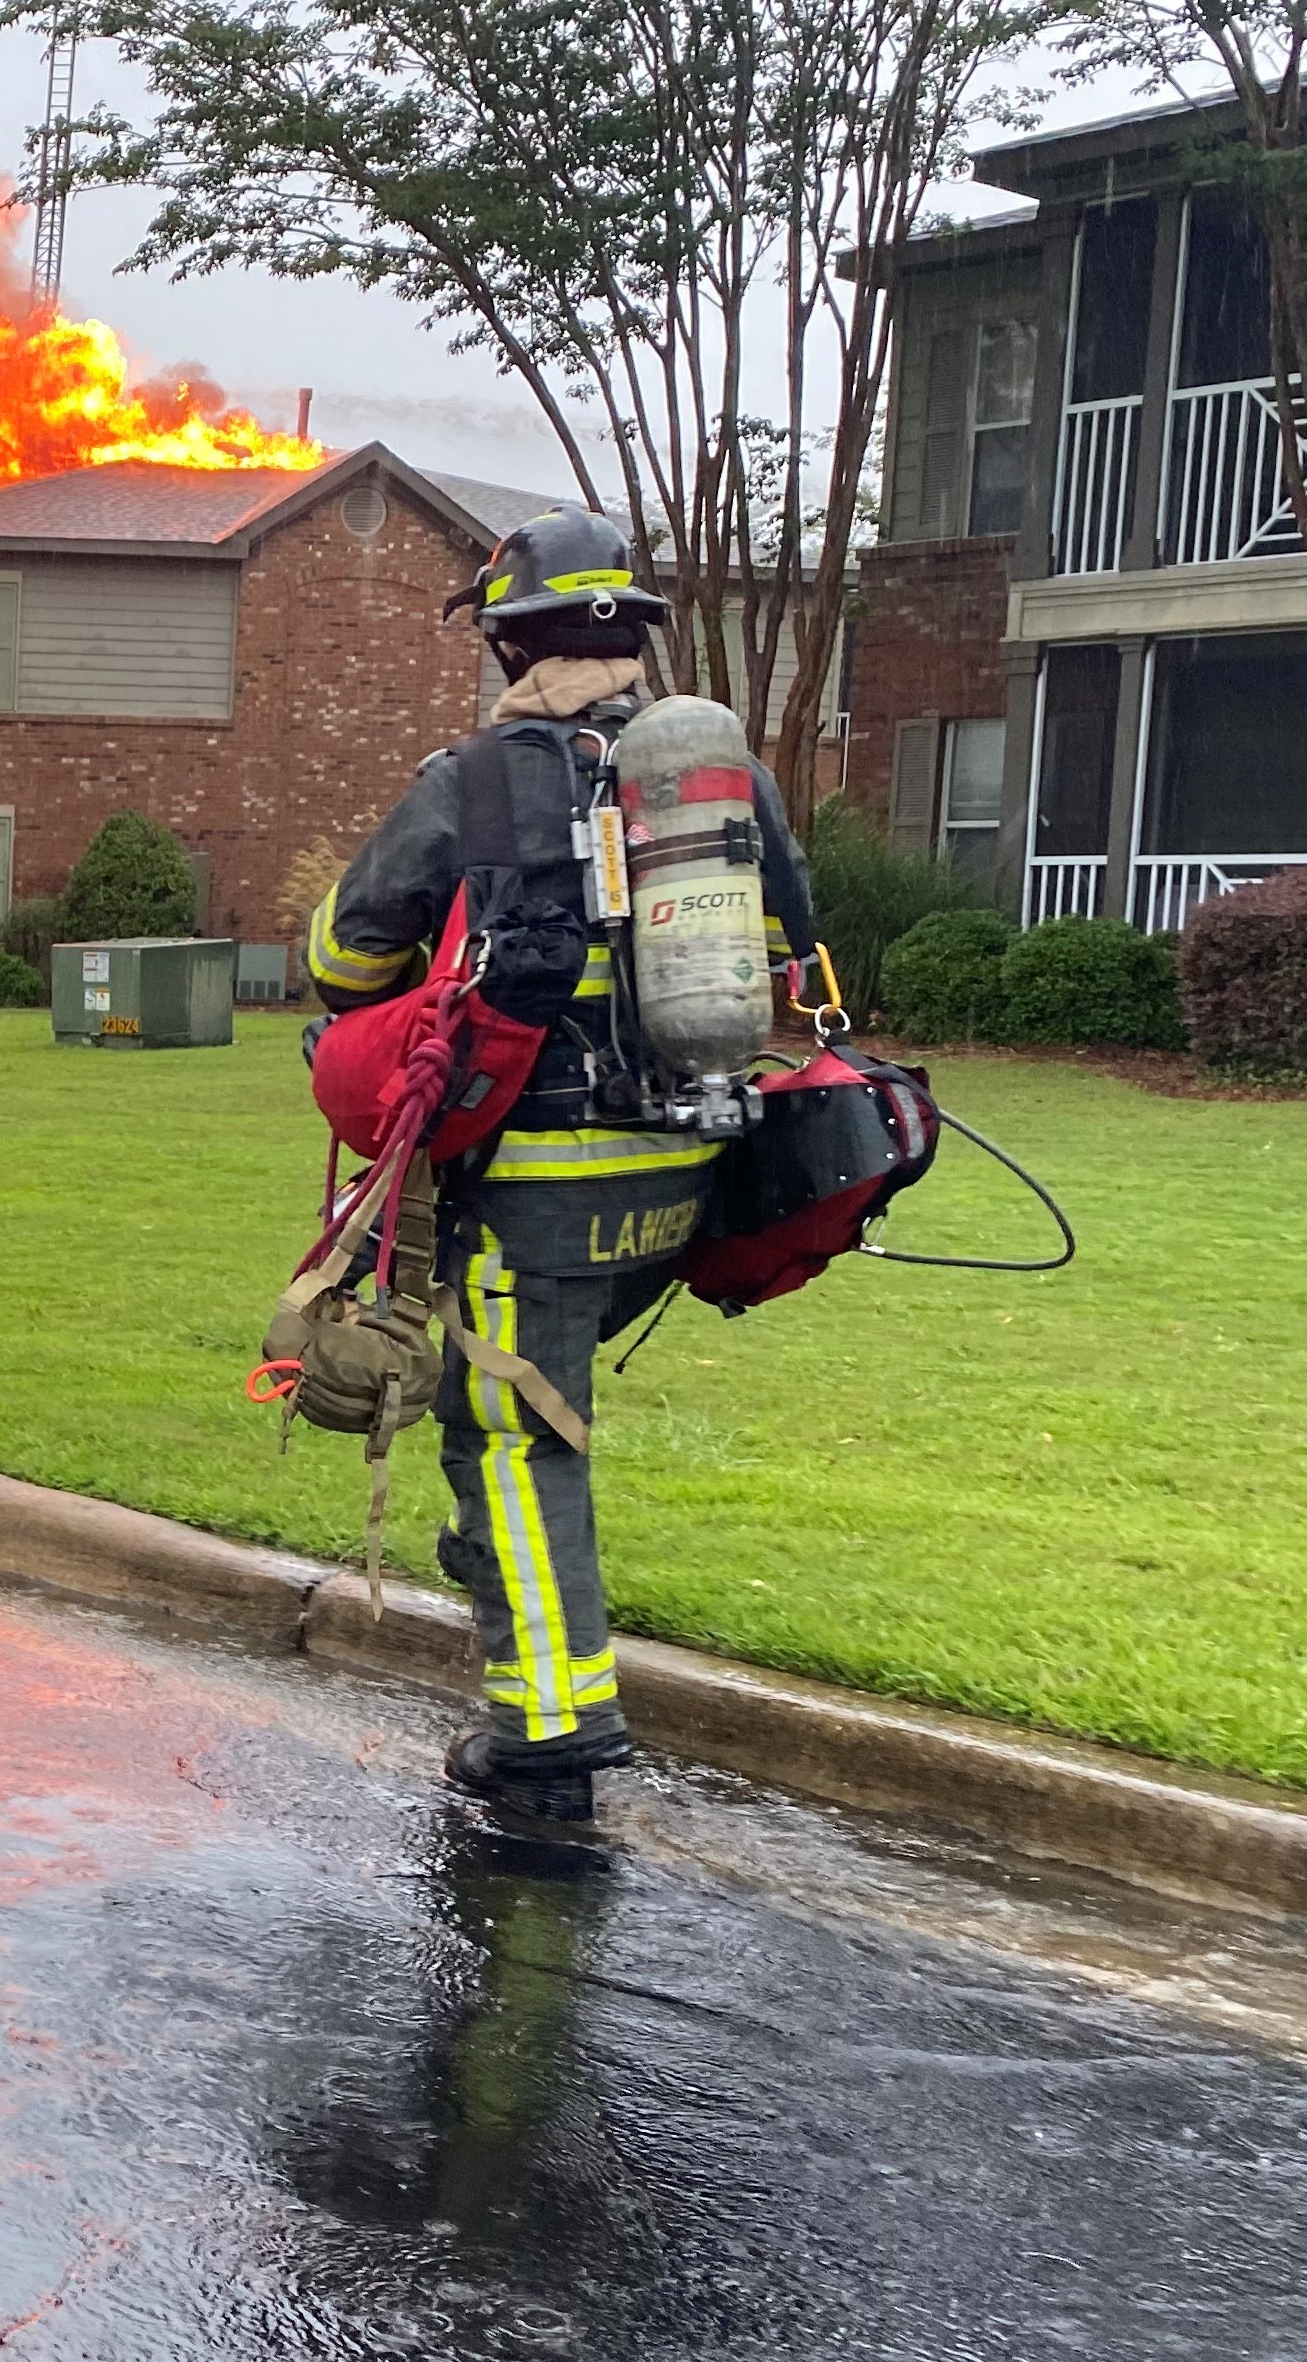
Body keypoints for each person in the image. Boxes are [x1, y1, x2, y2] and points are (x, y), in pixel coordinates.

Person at [303, 510, 821, 1825]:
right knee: (536, 1421)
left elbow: (344, 960)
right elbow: (794, 930)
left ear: (505, 640)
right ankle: (503, 1577)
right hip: (683, 1169)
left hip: (539, 1187)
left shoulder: (469, 780)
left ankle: (545, 1738)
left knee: (516, 1437)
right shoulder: (713, 777)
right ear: (629, 639)